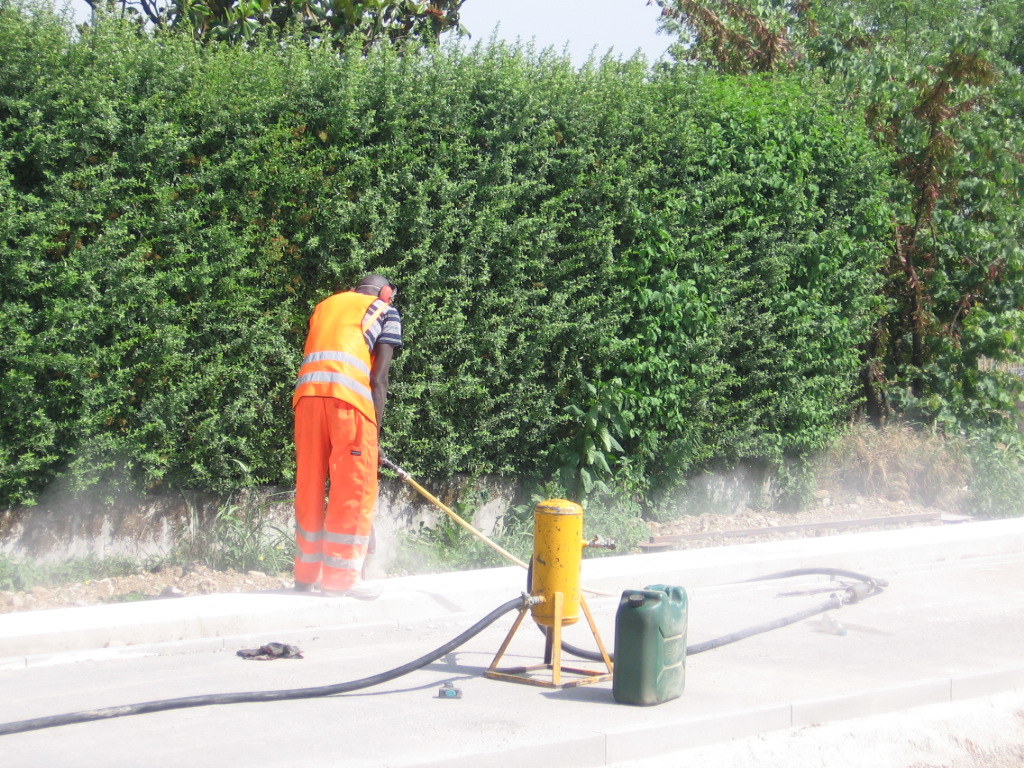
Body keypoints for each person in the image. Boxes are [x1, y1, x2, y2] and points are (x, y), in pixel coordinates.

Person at [291, 274, 402, 599]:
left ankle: (305, 575)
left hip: (307, 400)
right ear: (385, 292)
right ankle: (340, 580)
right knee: (353, 486)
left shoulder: (324, 306)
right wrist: (374, 438)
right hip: (349, 402)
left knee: (310, 483)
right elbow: (378, 378)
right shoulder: (384, 309)